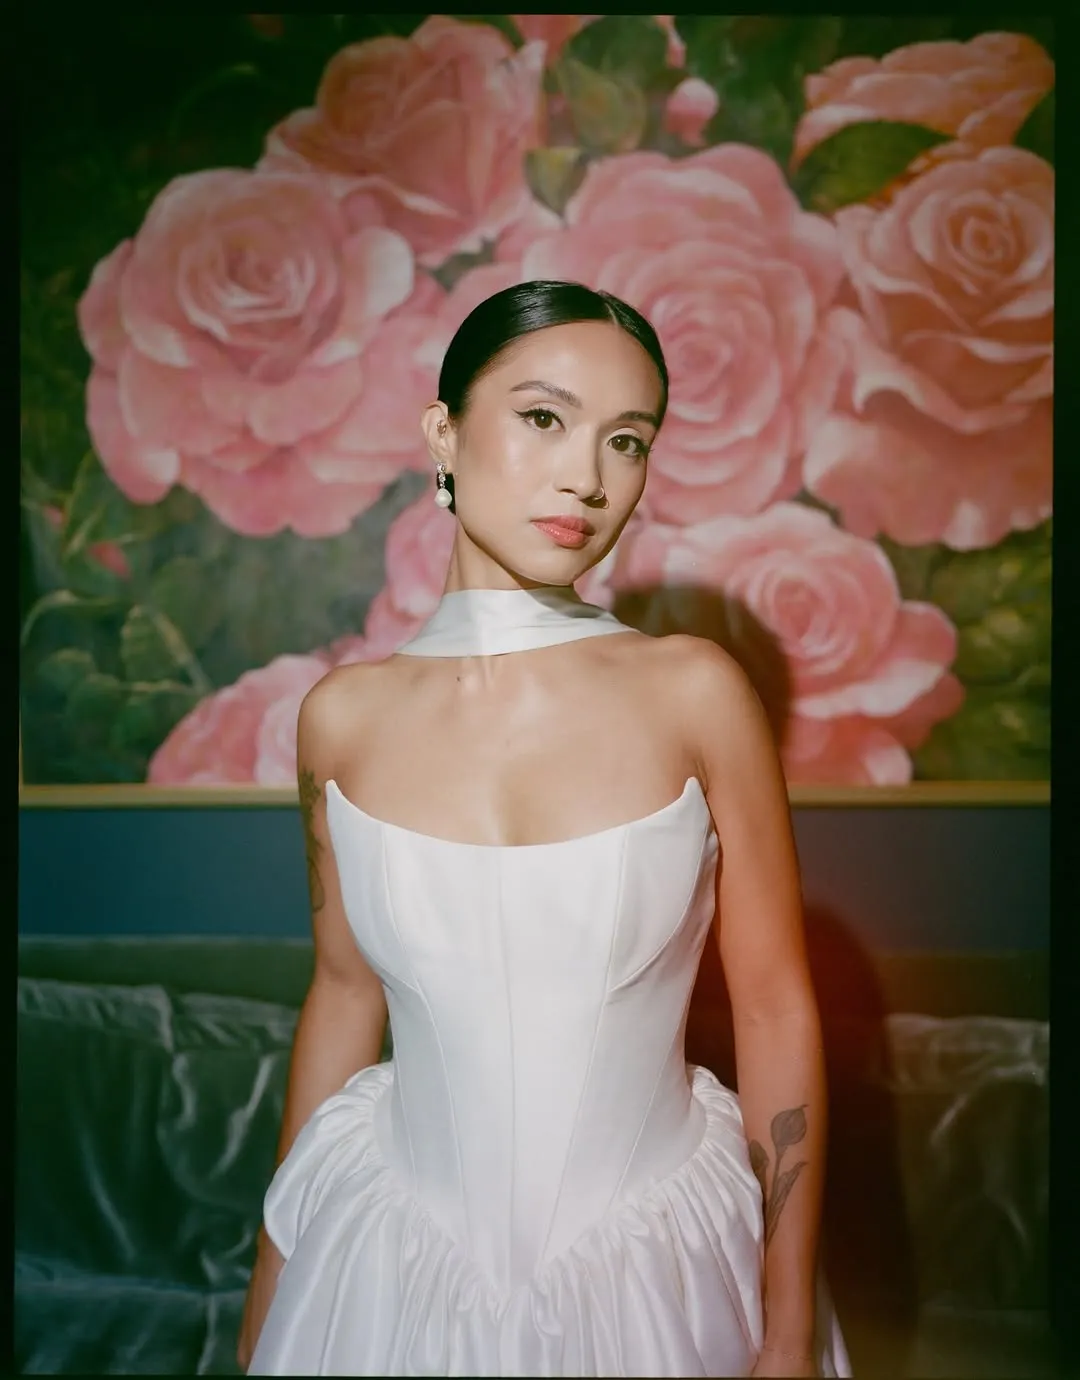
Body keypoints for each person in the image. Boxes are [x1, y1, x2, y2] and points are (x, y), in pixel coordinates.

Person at [238, 280, 851, 1378]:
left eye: (627, 439)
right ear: (443, 434)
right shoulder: (339, 719)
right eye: (542, 417)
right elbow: (341, 996)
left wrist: (790, 1323)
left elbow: (772, 1004)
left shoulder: (695, 691)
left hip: (660, 1267)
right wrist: (273, 1279)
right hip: (385, 1269)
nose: (588, 477)